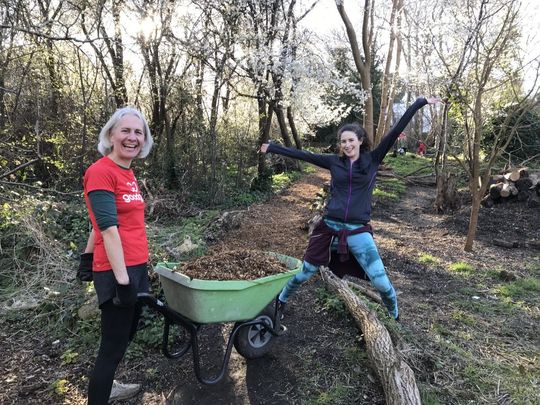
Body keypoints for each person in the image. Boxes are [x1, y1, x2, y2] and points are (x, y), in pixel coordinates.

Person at [260, 96, 440, 320]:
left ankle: (394, 317)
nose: (346, 145)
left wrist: (420, 102)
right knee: (304, 272)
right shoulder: (334, 162)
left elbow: (395, 131)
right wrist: (273, 148)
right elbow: (304, 154)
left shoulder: (373, 159)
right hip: (328, 228)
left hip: (357, 231)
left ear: (360, 140)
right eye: (343, 141)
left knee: (381, 282)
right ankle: (281, 301)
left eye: (350, 140)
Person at [82, 107, 153, 404]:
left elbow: (101, 222)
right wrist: (122, 282)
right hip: (117, 270)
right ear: (111, 134)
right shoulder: (100, 172)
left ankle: (108, 382)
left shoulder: (127, 172)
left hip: (135, 265)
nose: (132, 137)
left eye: (138, 132)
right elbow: (108, 229)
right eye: (125, 130)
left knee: (123, 337)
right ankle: (101, 394)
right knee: (111, 347)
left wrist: (85, 255)